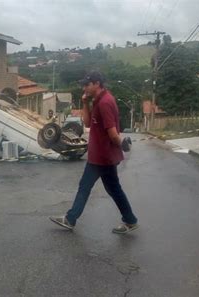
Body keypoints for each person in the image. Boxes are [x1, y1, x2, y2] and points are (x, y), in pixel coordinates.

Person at [49, 71, 138, 234]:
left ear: (97, 83)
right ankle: (130, 220)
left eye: (87, 84)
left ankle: (70, 219)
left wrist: (122, 143)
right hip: (104, 156)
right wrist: (85, 103)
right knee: (113, 189)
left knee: (85, 186)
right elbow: (88, 123)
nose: (84, 87)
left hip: (102, 157)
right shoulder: (98, 100)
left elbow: (112, 132)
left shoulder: (105, 102)